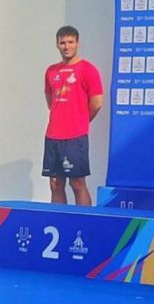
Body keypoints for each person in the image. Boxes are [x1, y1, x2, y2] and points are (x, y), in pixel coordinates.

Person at [43, 25, 103, 206]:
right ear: (57, 45)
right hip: (53, 135)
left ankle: (84, 223)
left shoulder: (87, 69)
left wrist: (81, 120)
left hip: (75, 136)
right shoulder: (51, 71)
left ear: (77, 43)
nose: (66, 46)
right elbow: (50, 101)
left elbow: (97, 102)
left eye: (70, 42)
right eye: (62, 42)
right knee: (55, 184)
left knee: (77, 183)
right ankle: (59, 222)